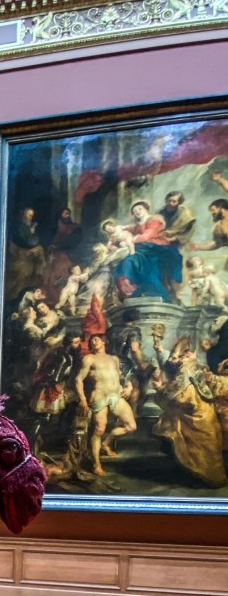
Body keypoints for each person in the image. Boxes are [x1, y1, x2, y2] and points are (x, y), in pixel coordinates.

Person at [152, 338, 226, 487]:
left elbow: (180, 397)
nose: (172, 360)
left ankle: (198, 476)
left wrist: (159, 389)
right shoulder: (196, 366)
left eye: (175, 357)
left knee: (183, 439)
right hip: (204, 414)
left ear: (185, 357)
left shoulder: (185, 371)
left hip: (195, 418)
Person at [74, 333, 137, 476]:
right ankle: (96, 464)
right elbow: (78, 379)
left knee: (131, 427)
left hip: (116, 395)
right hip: (99, 396)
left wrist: (129, 386)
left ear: (104, 342)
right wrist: (82, 398)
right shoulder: (89, 358)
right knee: (99, 430)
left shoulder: (114, 359)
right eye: (91, 340)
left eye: (96, 339)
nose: (93, 341)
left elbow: (121, 376)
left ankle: (106, 443)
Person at [114, 200, 184, 301]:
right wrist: (121, 231)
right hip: (140, 248)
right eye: (134, 211)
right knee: (127, 262)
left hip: (155, 247)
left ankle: (153, 291)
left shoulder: (155, 221)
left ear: (146, 209)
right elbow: (128, 230)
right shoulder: (137, 225)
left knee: (147, 263)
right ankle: (132, 290)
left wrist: (130, 241)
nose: (137, 212)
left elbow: (148, 235)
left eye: (139, 209)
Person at [6, 207, 46, 301]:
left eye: (32, 216)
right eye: (29, 215)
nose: (31, 218)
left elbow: (34, 242)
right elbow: (29, 242)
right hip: (19, 256)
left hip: (26, 255)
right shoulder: (20, 227)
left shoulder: (28, 227)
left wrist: (32, 233)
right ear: (24, 215)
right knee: (23, 276)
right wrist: (32, 233)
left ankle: (40, 272)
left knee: (40, 250)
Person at [189, 199, 228, 266]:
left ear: (221, 208)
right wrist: (198, 247)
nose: (211, 213)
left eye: (213, 210)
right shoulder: (219, 226)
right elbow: (216, 243)